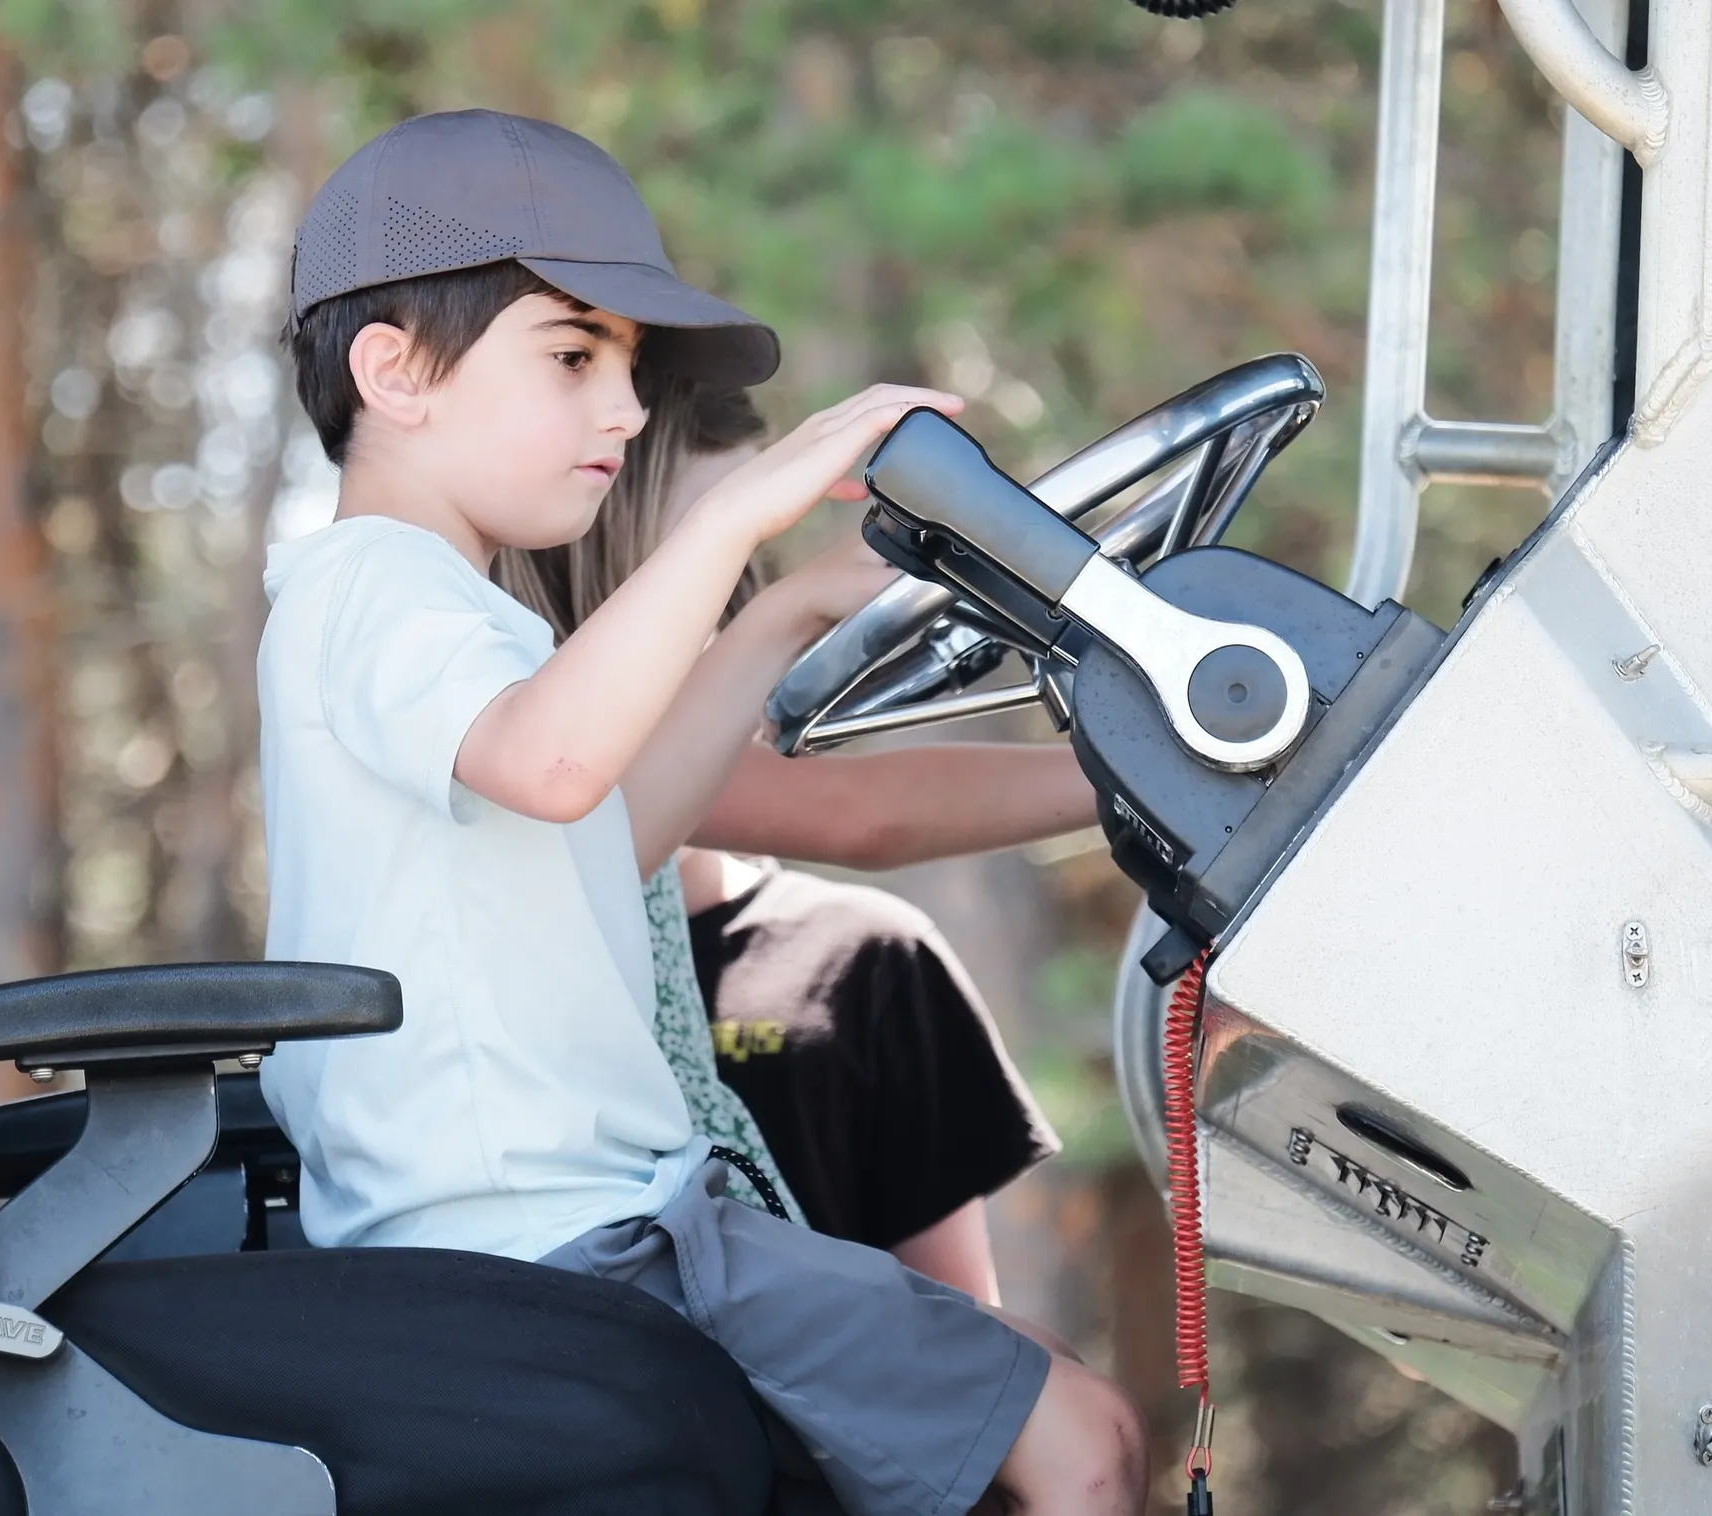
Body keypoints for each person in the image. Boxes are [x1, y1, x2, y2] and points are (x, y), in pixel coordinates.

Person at [259, 110, 1144, 1516]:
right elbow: (559, 768)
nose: (623, 410)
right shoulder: (372, 586)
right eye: (573, 357)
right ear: (395, 370)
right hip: (565, 1240)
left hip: (607, 1226)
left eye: (627, 367)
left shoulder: (451, 619)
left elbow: (608, 835)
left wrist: (785, 610)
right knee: (1082, 1445)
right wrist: (729, 525)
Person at [497, 379, 1094, 1306]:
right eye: (703, 568)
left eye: (750, 572)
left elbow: (960, 1319)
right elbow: (857, 809)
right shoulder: (544, 771)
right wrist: (1152, 767)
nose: (735, 614)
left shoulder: (868, 962)